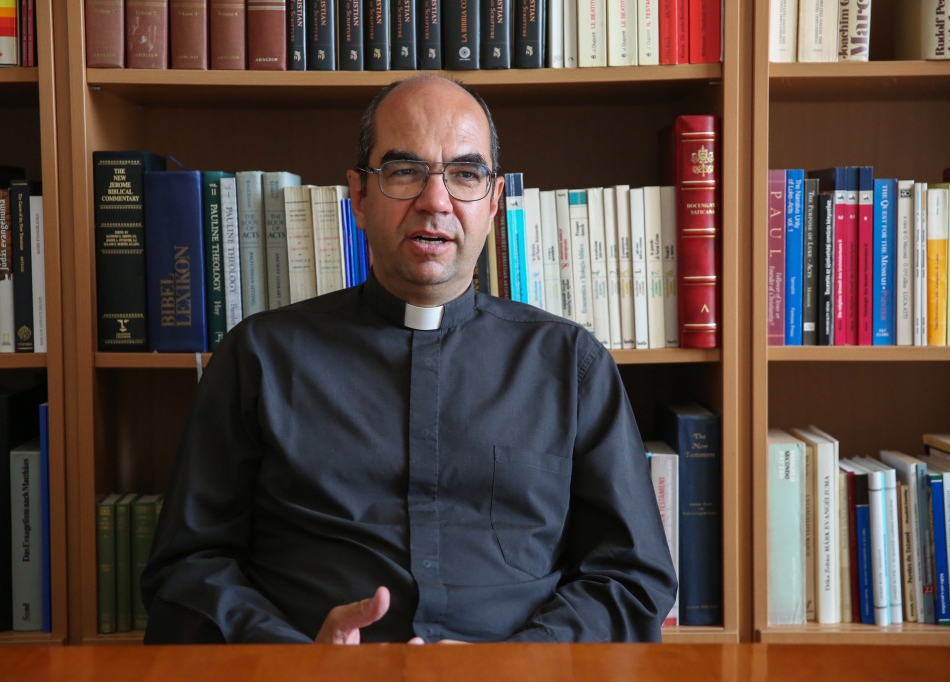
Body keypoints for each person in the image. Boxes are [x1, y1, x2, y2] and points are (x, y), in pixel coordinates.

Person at [140, 74, 677, 645]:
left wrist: (518, 663)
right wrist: (293, 659)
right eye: (404, 171)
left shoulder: (570, 365)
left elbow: (631, 577)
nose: (435, 201)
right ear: (359, 197)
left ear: (494, 202)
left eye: (465, 174)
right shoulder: (259, 358)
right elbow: (187, 569)